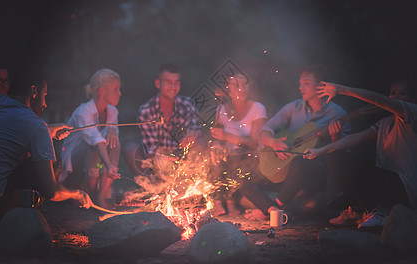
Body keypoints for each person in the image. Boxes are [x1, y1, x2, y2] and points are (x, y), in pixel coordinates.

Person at [0, 68, 92, 219]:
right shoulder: (35, 125)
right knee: (51, 163)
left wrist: (48, 129)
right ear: (34, 91)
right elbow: (51, 191)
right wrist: (77, 194)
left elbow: (10, 127)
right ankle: (24, 218)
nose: (45, 103)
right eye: (44, 95)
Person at [304, 79, 416, 229]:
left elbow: (378, 99)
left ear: (413, 99)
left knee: (343, 163)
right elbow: (355, 137)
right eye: (393, 93)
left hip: (405, 189)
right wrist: (320, 150)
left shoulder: (412, 113)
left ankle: (377, 213)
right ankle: (362, 212)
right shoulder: (386, 122)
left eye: (402, 94)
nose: (396, 97)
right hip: (386, 184)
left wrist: (341, 89)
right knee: (335, 198)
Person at [244, 65, 350, 220]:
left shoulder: (338, 114)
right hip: (285, 174)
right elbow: (265, 130)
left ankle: (271, 209)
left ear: (321, 86)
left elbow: (344, 157)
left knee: (301, 163)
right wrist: (274, 143)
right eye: (300, 84)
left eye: (306, 83)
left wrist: (335, 137)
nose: (301, 88)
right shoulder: (294, 107)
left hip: (312, 176)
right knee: (244, 178)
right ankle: (273, 210)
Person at [60, 69, 121, 210]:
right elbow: (95, 139)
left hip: (97, 163)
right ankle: (92, 194)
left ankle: (101, 196)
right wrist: (108, 164)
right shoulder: (83, 111)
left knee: (116, 143)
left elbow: (110, 142)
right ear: (101, 91)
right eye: (116, 89)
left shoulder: (113, 112)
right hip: (75, 164)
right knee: (92, 147)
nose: (120, 93)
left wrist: (112, 128)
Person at [209, 73, 268, 216]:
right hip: (227, 157)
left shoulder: (257, 109)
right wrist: (216, 145)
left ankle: (231, 203)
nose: (241, 89)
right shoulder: (221, 110)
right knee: (214, 155)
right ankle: (218, 203)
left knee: (235, 157)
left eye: (244, 84)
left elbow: (254, 144)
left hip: (250, 157)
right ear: (229, 90)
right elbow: (217, 138)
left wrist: (227, 137)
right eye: (236, 86)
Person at [133, 64, 201, 169]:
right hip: (159, 161)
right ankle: (152, 182)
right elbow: (151, 149)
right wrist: (166, 159)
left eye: (176, 83)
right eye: (168, 82)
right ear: (158, 84)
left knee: (202, 142)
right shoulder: (146, 111)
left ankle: (196, 174)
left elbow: (196, 130)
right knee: (129, 149)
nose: (173, 87)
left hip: (185, 159)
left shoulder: (187, 104)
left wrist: (192, 135)